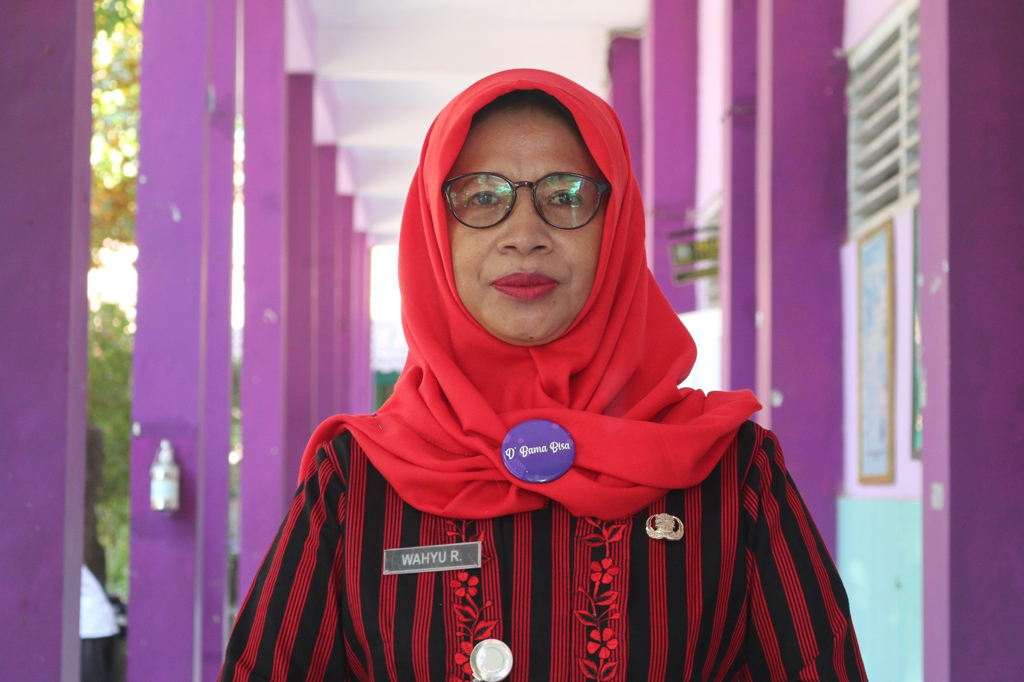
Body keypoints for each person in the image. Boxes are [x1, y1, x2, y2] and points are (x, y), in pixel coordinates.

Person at [221, 69, 865, 681]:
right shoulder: (359, 480)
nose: (525, 234)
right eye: (482, 197)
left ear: (616, 226)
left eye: (566, 196)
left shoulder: (730, 471)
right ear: (435, 232)